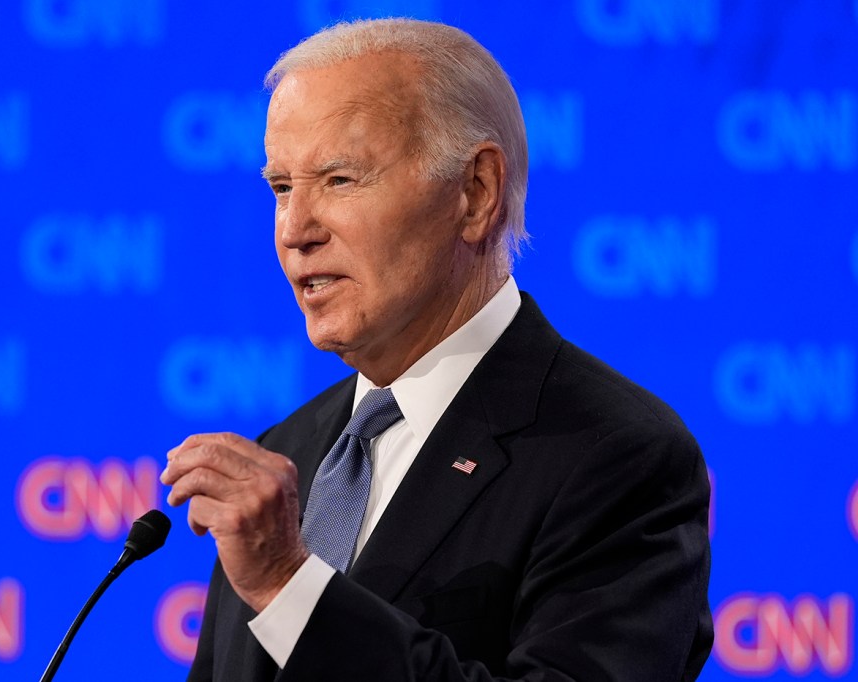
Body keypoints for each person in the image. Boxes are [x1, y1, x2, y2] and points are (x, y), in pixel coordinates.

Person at [160, 18, 712, 682]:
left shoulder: (617, 455)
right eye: (281, 187)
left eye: (340, 179)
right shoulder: (289, 453)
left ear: (475, 192)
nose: (295, 230)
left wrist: (289, 586)